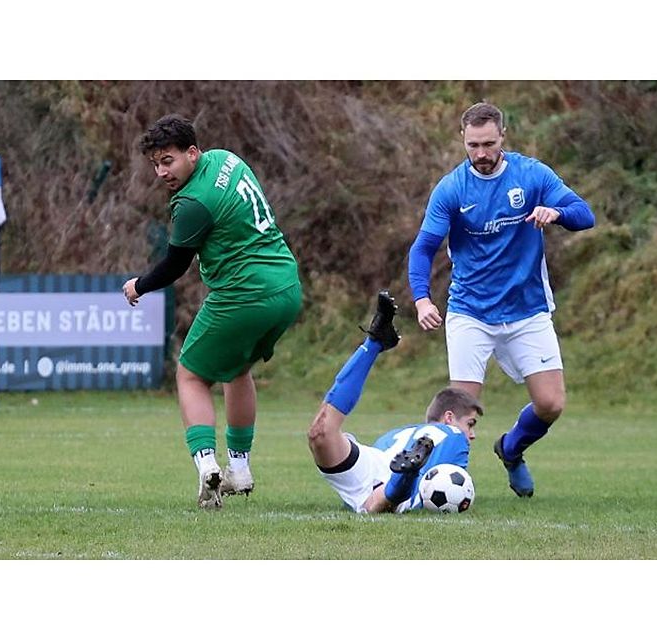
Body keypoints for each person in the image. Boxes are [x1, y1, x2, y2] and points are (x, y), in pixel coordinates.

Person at [407, 102, 595, 498]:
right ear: (463, 139)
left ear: (503, 138)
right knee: (461, 410)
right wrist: (422, 300)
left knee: (551, 404)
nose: (481, 153)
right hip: (470, 311)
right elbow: (424, 248)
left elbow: (584, 215)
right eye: (473, 145)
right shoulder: (452, 188)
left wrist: (555, 213)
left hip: (528, 310)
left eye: (489, 144)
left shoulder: (531, 175)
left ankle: (511, 450)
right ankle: (446, 488)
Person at [122, 114, 303, 510]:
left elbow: (174, 266)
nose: (161, 172)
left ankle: (207, 465)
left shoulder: (192, 203)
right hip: (287, 287)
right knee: (236, 370)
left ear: (191, 153)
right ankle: (240, 466)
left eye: (167, 161)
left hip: (244, 294)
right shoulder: (226, 159)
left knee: (190, 375)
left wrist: (139, 285)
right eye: (155, 163)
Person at [308, 290, 482, 514]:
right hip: (386, 469)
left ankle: (374, 342)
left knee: (319, 434)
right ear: (449, 417)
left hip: (375, 466)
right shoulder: (453, 435)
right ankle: (401, 483)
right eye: (470, 423)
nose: (472, 434)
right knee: (379, 503)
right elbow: (434, 485)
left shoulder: (396, 434)